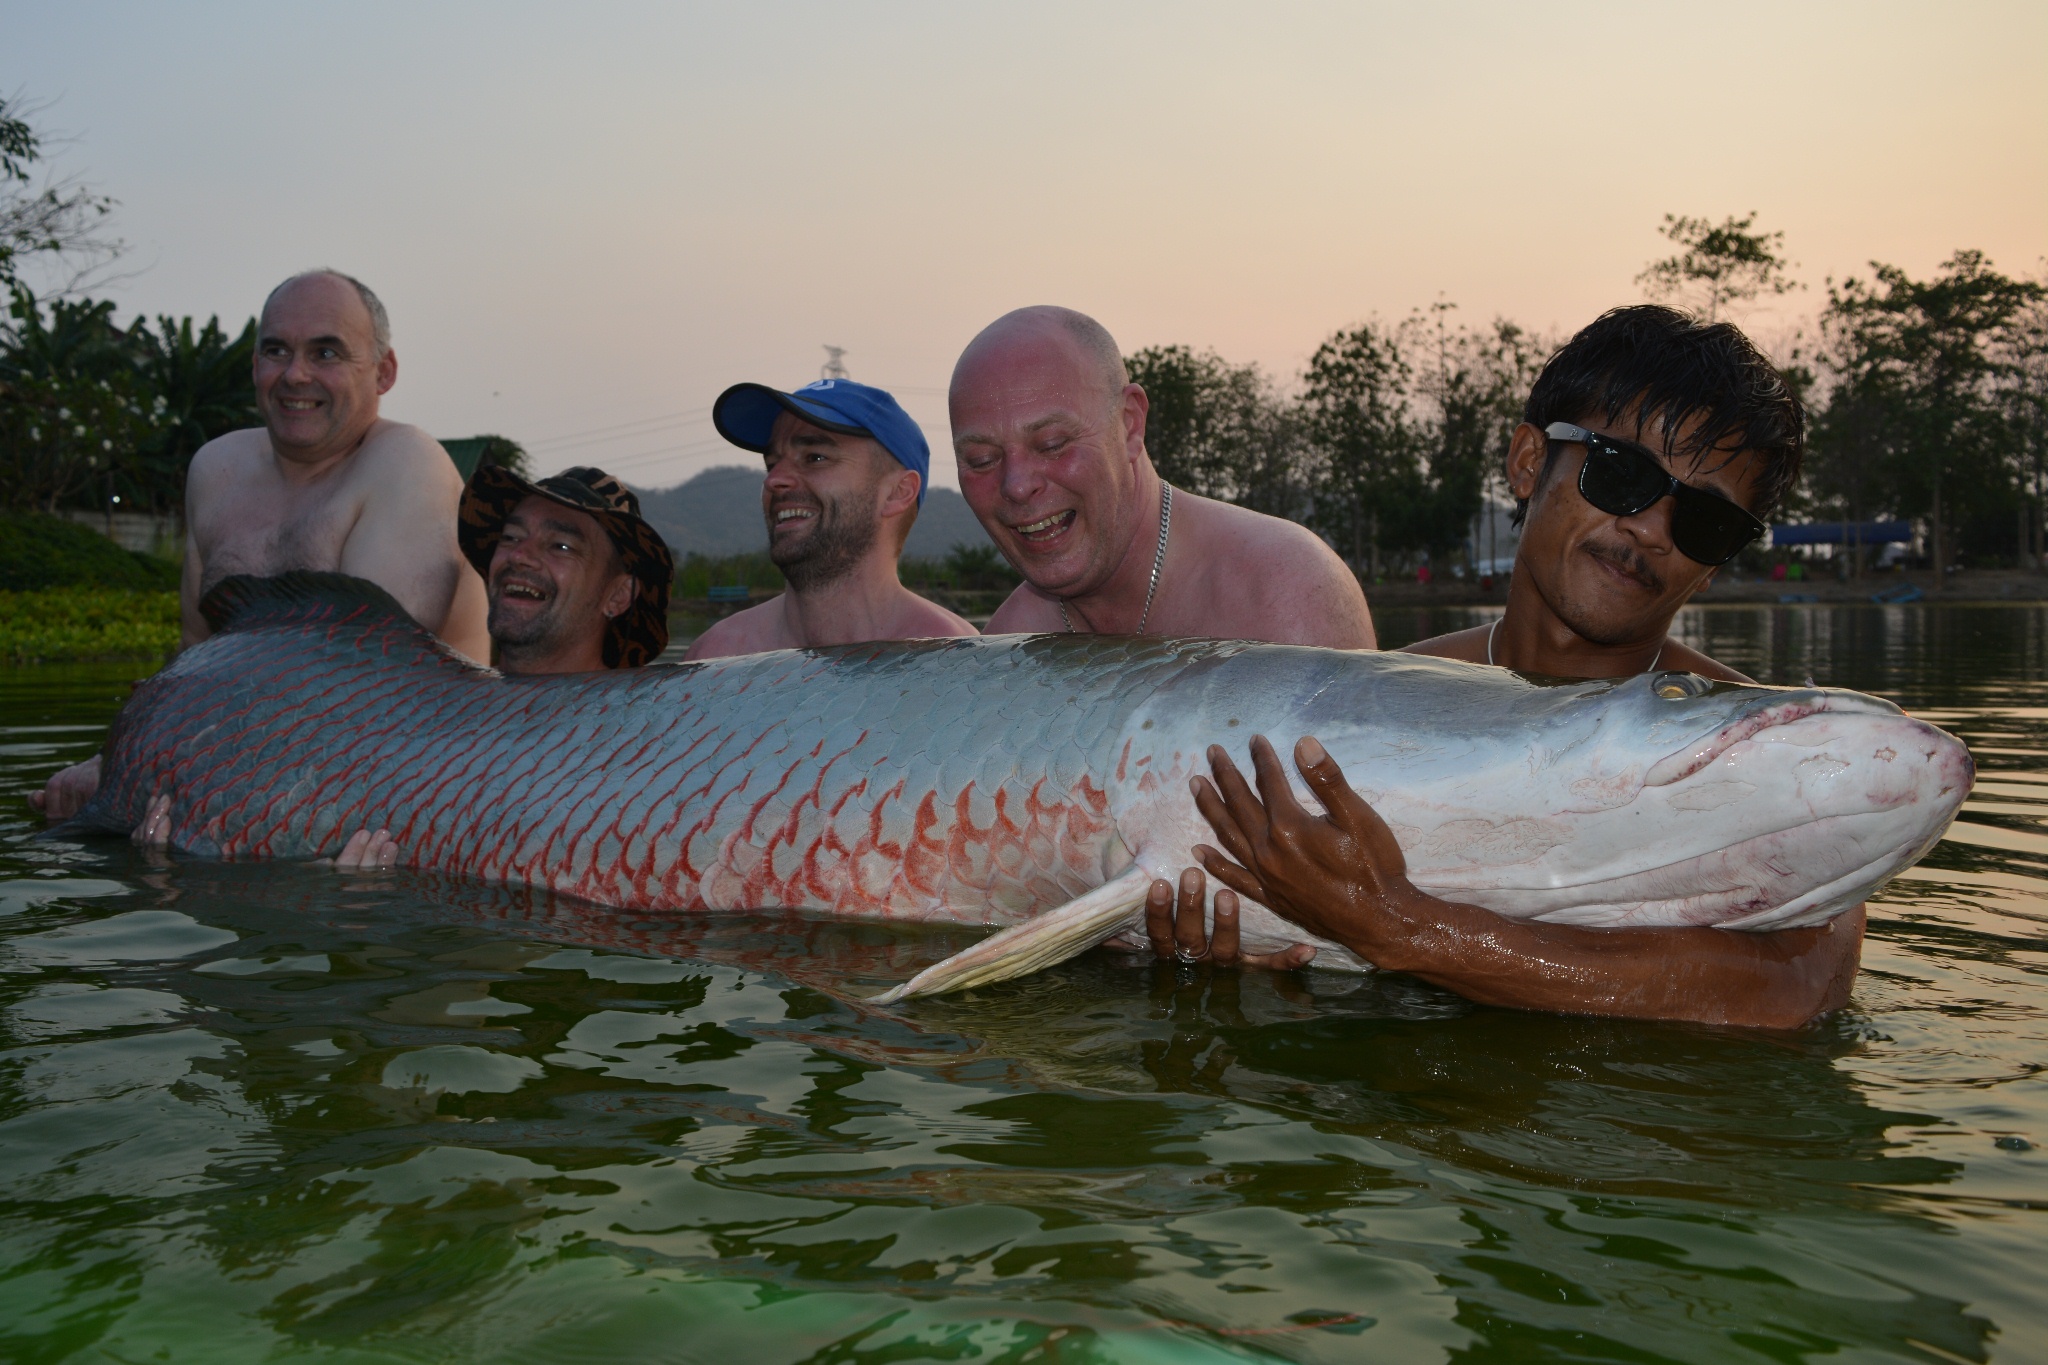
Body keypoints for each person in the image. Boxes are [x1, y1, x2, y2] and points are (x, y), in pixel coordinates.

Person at [1150, 305, 1861, 1030]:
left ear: (1714, 566)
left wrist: (1401, 928)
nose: (1651, 529)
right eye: (1623, 475)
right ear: (1527, 463)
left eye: (1705, 522)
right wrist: (1232, 950)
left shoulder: (1756, 751)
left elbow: (1803, 985)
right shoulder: (1372, 705)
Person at [33, 268, 488, 819]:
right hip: (249, 775)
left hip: (403, 791)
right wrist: (115, 761)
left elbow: (363, 686)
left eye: (326, 353)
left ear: (383, 371)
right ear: (255, 366)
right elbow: (194, 657)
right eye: (276, 351)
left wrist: (146, 769)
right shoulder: (217, 469)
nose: (295, 375)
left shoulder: (407, 465)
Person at [133, 463, 675, 867]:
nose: (520, 555)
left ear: (618, 595)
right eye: (510, 537)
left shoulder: (643, 746)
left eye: (560, 544)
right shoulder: (427, 715)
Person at [949, 305, 1376, 647]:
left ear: (1130, 424)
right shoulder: (1007, 651)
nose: (1017, 485)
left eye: (1053, 444)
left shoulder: (1284, 594)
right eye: (982, 460)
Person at [684, 378, 975, 659]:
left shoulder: (948, 661)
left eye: (815, 457)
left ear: (897, 493)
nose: (774, 479)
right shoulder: (717, 658)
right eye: (771, 464)